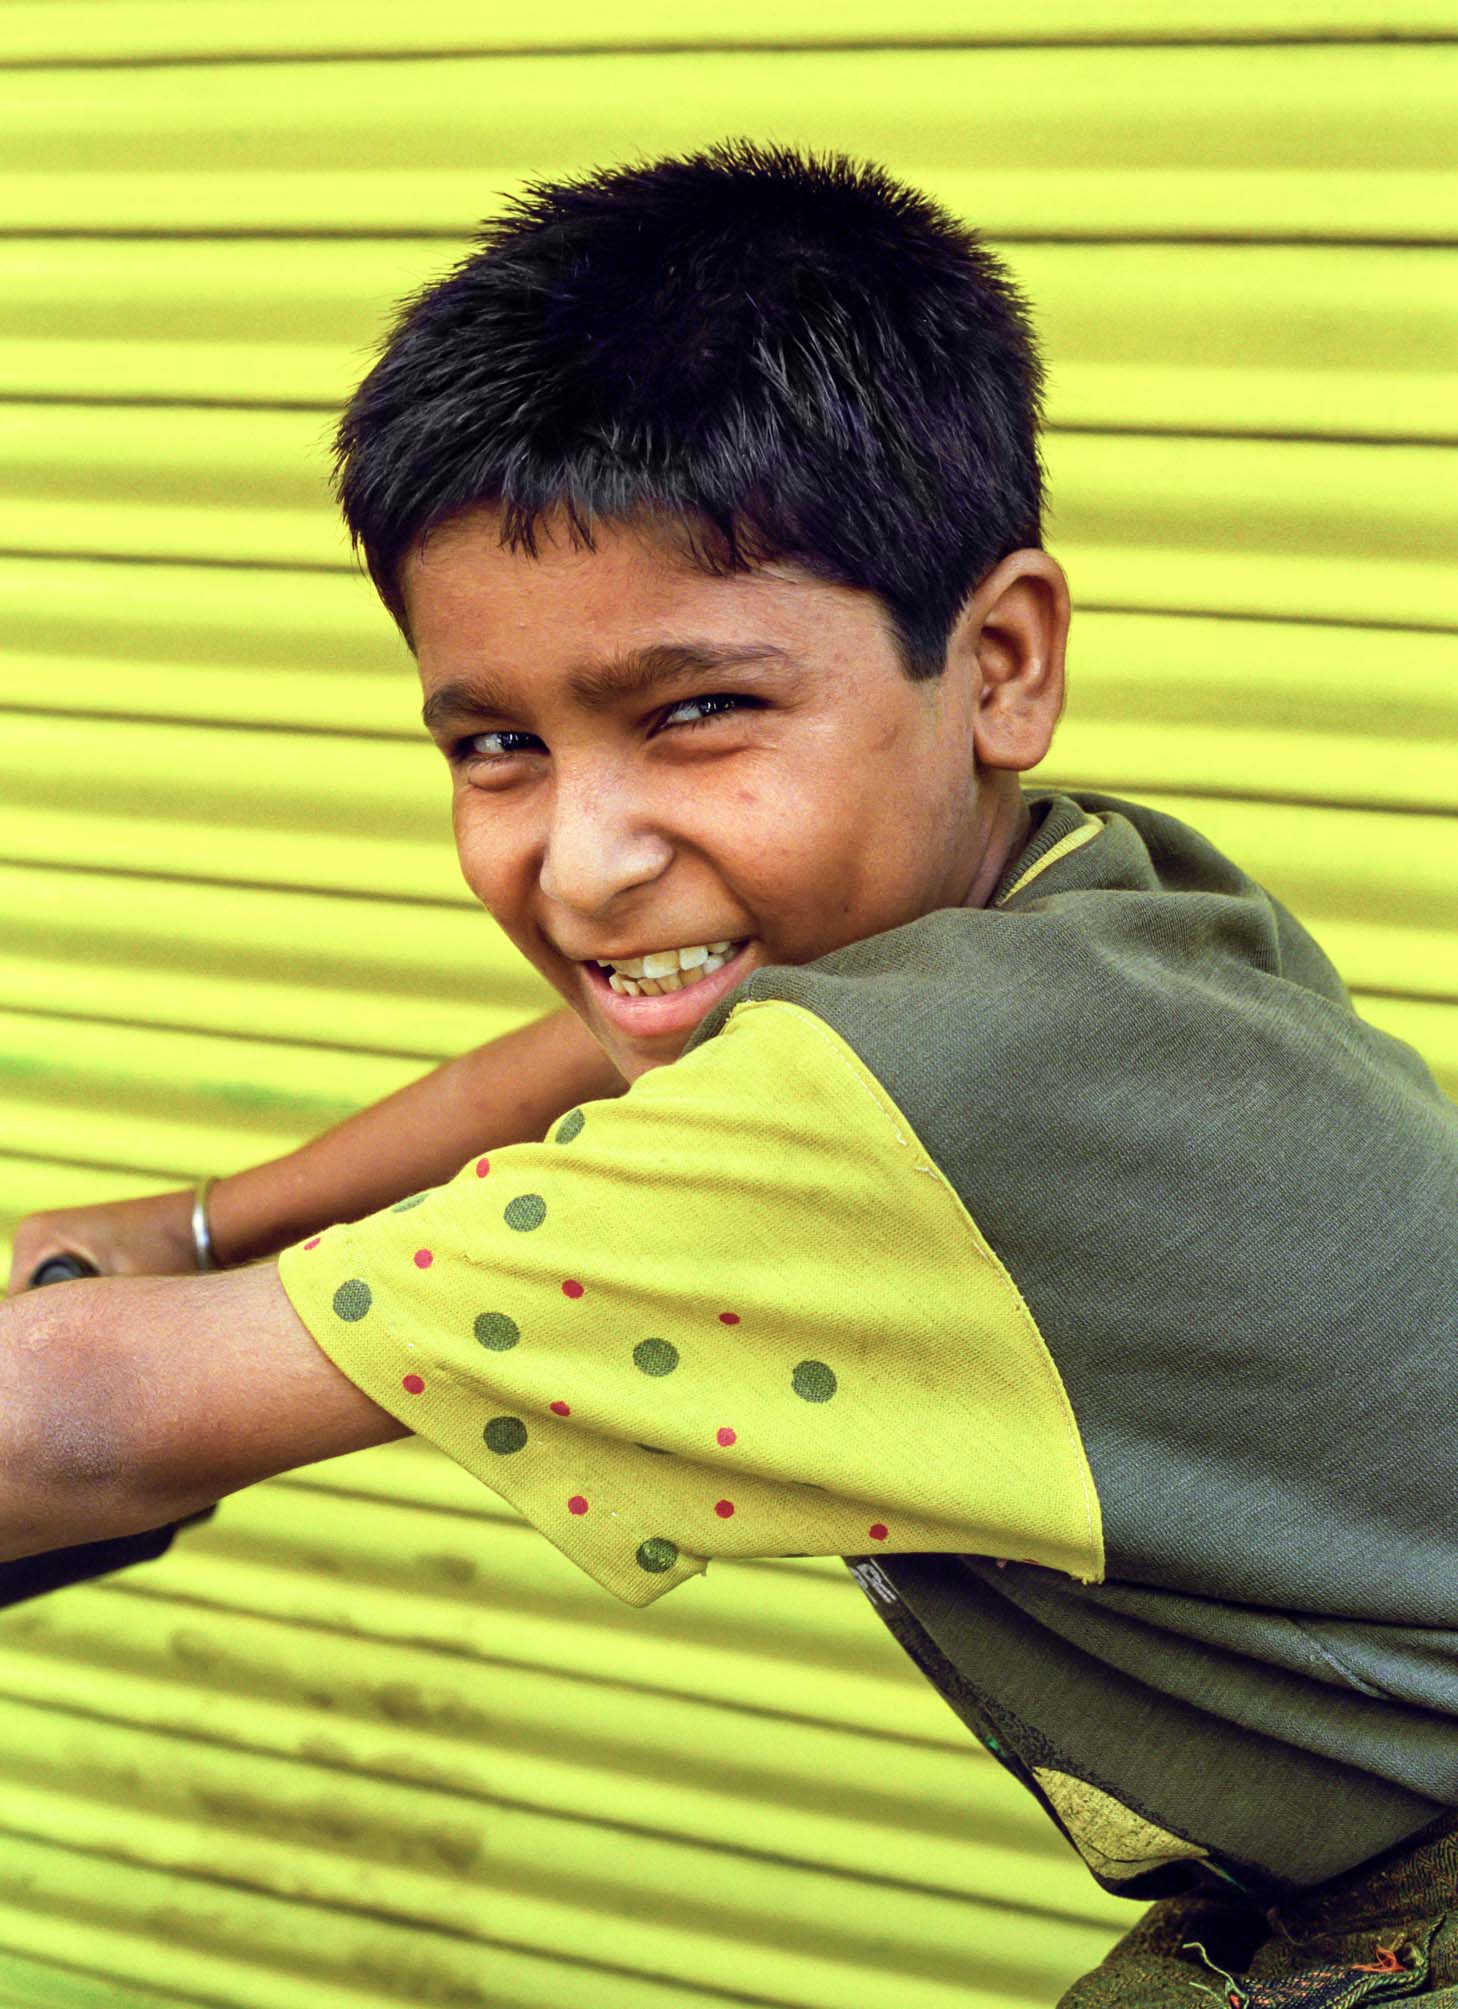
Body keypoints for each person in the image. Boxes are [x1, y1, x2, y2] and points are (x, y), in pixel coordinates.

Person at [6, 140, 1458, 2004]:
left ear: (1000, 659)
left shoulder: (906, 1104)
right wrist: (207, 1217)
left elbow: (71, 1420)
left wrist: (140, 1309)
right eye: (495, 744)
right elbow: (589, 1053)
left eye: (695, 711)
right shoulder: (1085, 916)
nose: (583, 856)